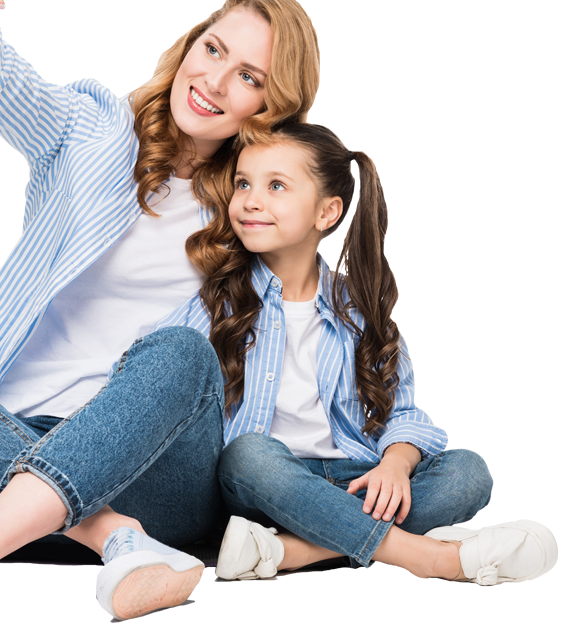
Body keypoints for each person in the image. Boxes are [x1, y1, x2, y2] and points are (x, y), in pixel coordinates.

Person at [0, 0, 320, 630]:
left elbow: (316, 333)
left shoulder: (263, 213)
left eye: (250, 76)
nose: (217, 80)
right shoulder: (91, 131)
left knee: (180, 355)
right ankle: (111, 539)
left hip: (149, 475)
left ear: (270, 105)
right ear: (190, 46)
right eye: (214, 49)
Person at [156, 121, 557, 584]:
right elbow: (160, 382)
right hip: (261, 485)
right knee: (248, 454)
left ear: (326, 213)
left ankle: (290, 551)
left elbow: (402, 413)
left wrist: (394, 463)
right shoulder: (217, 303)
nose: (250, 199)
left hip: (354, 476)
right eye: (243, 183)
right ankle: (429, 557)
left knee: (468, 474)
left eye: (276, 186)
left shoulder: (358, 310)